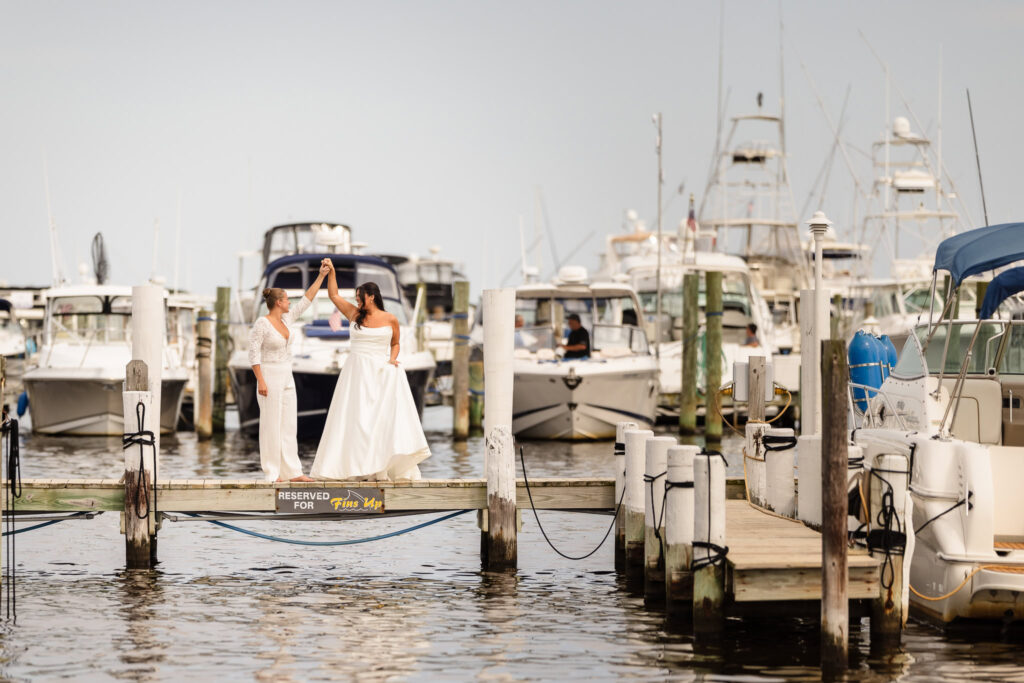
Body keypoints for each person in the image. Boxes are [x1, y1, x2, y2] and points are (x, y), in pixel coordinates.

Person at [311, 259, 431, 480]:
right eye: (356, 297)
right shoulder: (354, 315)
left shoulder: (391, 319)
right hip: (356, 371)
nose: (356, 300)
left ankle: (380, 466)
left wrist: (393, 359)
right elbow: (334, 296)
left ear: (372, 297)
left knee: (379, 420)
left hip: (379, 372)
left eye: (360, 297)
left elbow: (395, 344)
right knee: (356, 419)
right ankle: (354, 467)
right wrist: (332, 273)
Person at [248, 264, 329, 482]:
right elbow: (253, 354)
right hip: (269, 375)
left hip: (287, 375)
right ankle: (273, 473)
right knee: (270, 425)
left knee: (288, 425)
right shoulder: (262, 323)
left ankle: (293, 472)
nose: (289, 303)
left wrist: (322, 275)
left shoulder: (286, 319)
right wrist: (261, 381)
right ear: (277, 302)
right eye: (286, 300)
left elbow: (307, 299)